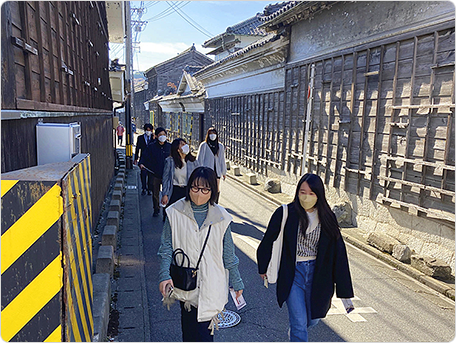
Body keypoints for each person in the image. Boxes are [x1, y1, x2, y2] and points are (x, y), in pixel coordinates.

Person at [257, 173, 354, 342]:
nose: (306, 197)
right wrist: (263, 267)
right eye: (302, 192)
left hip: (318, 274)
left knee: (313, 319)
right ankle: (296, 331)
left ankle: (295, 331)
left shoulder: (327, 217)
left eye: (311, 193)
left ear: (319, 195)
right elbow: (268, 240)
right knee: (299, 322)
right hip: (293, 273)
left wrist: (344, 289)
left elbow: (339, 253)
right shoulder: (285, 213)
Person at [158, 167, 244, 342]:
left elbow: (229, 254)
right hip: (186, 282)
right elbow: (166, 247)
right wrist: (164, 275)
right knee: (189, 331)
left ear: (212, 190)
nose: (199, 193)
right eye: (195, 188)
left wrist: (236, 280)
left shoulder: (222, 217)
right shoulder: (174, 212)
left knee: (204, 334)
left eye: (205, 189)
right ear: (189, 188)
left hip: (212, 283)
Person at [161, 138, 199, 221]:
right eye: (182, 144)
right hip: (174, 190)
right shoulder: (170, 161)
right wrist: (165, 194)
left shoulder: (193, 162)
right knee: (172, 216)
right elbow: (166, 179)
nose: (185, 146)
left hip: (187, 191)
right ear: (177, 149)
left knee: (186, 217)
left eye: (185, 144)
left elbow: (197, 178)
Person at [141, 127, 171, 217]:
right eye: (161, 135)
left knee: (167, 193)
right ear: (157, 136)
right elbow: (144, 156)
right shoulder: (151, 147)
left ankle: (166, 210)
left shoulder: (170, 147)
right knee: (155, 193)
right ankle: (156, 208)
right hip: (155, 173)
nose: (163, 137)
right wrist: (141, 163)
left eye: (164, 135)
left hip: (167, 174)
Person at [196, 127, 227, 203]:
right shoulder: (204, 145)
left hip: (217, 171)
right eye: (210, 134)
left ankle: (215, 203)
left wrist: (224, 172)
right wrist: (199, 171)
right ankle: (207, 202)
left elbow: (222, 160)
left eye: (214, 134)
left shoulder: (220, 146)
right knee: (207, 187)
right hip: (207, 171)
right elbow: (200, 159)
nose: (212, 136)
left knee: (216, 188)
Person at [135, 123, 155, 195]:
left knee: (151, 176)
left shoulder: (154, 138)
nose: (148, 131)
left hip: (152, 160)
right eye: (147, 130)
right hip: (143, 159)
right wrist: (136, 158)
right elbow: (137, 148)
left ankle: (149, 189)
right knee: (143, 174)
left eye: (150, 130)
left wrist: (154, 139)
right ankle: (144, 188)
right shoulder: (140, 138)